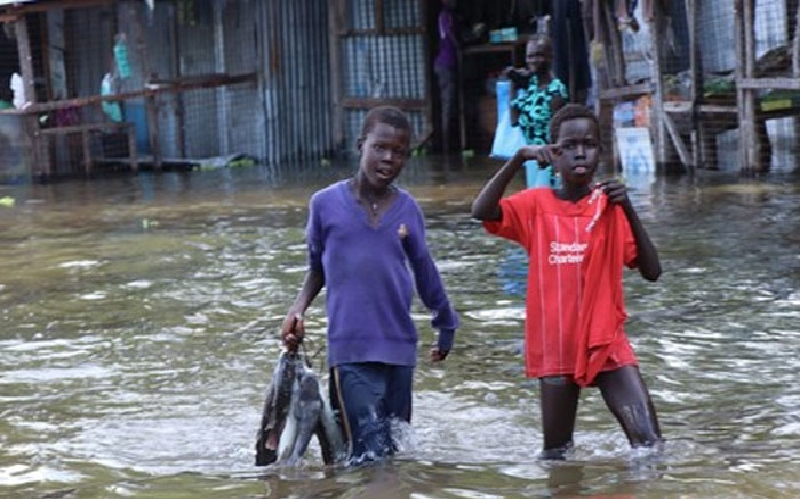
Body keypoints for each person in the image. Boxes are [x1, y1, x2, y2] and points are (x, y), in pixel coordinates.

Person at [471, 104, 663, 460]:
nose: (578, 153)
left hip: (605, 342)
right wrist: (517, 159)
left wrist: (630, 210)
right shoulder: (535, 206)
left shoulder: (609, 207)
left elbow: (652, 272)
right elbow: (481, 211)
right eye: (567, 146)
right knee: (557, 455)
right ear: (552, 155)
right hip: (555, 344)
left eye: (588, 145)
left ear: (600, 153)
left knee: (650, 447)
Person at [280, 105, 459, 464]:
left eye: (399, 152)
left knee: (393, 452)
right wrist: (297, 309)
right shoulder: (325, 205)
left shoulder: (408, 209)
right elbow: (318, 269)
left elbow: (424, 269)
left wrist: (446, 322)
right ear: (361, 145)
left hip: (400, 351)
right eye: (380, 147)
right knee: (368, 456)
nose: (388, 158)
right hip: (351, 353)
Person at [434, 0, 460, 155]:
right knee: (447, 105)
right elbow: (449, 34)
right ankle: (446, 147)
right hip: (445, 63)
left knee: (449, 105)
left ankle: (448, 145)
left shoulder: (448, 15)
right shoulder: (445, 15)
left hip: (444, 63)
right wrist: (459, 47)